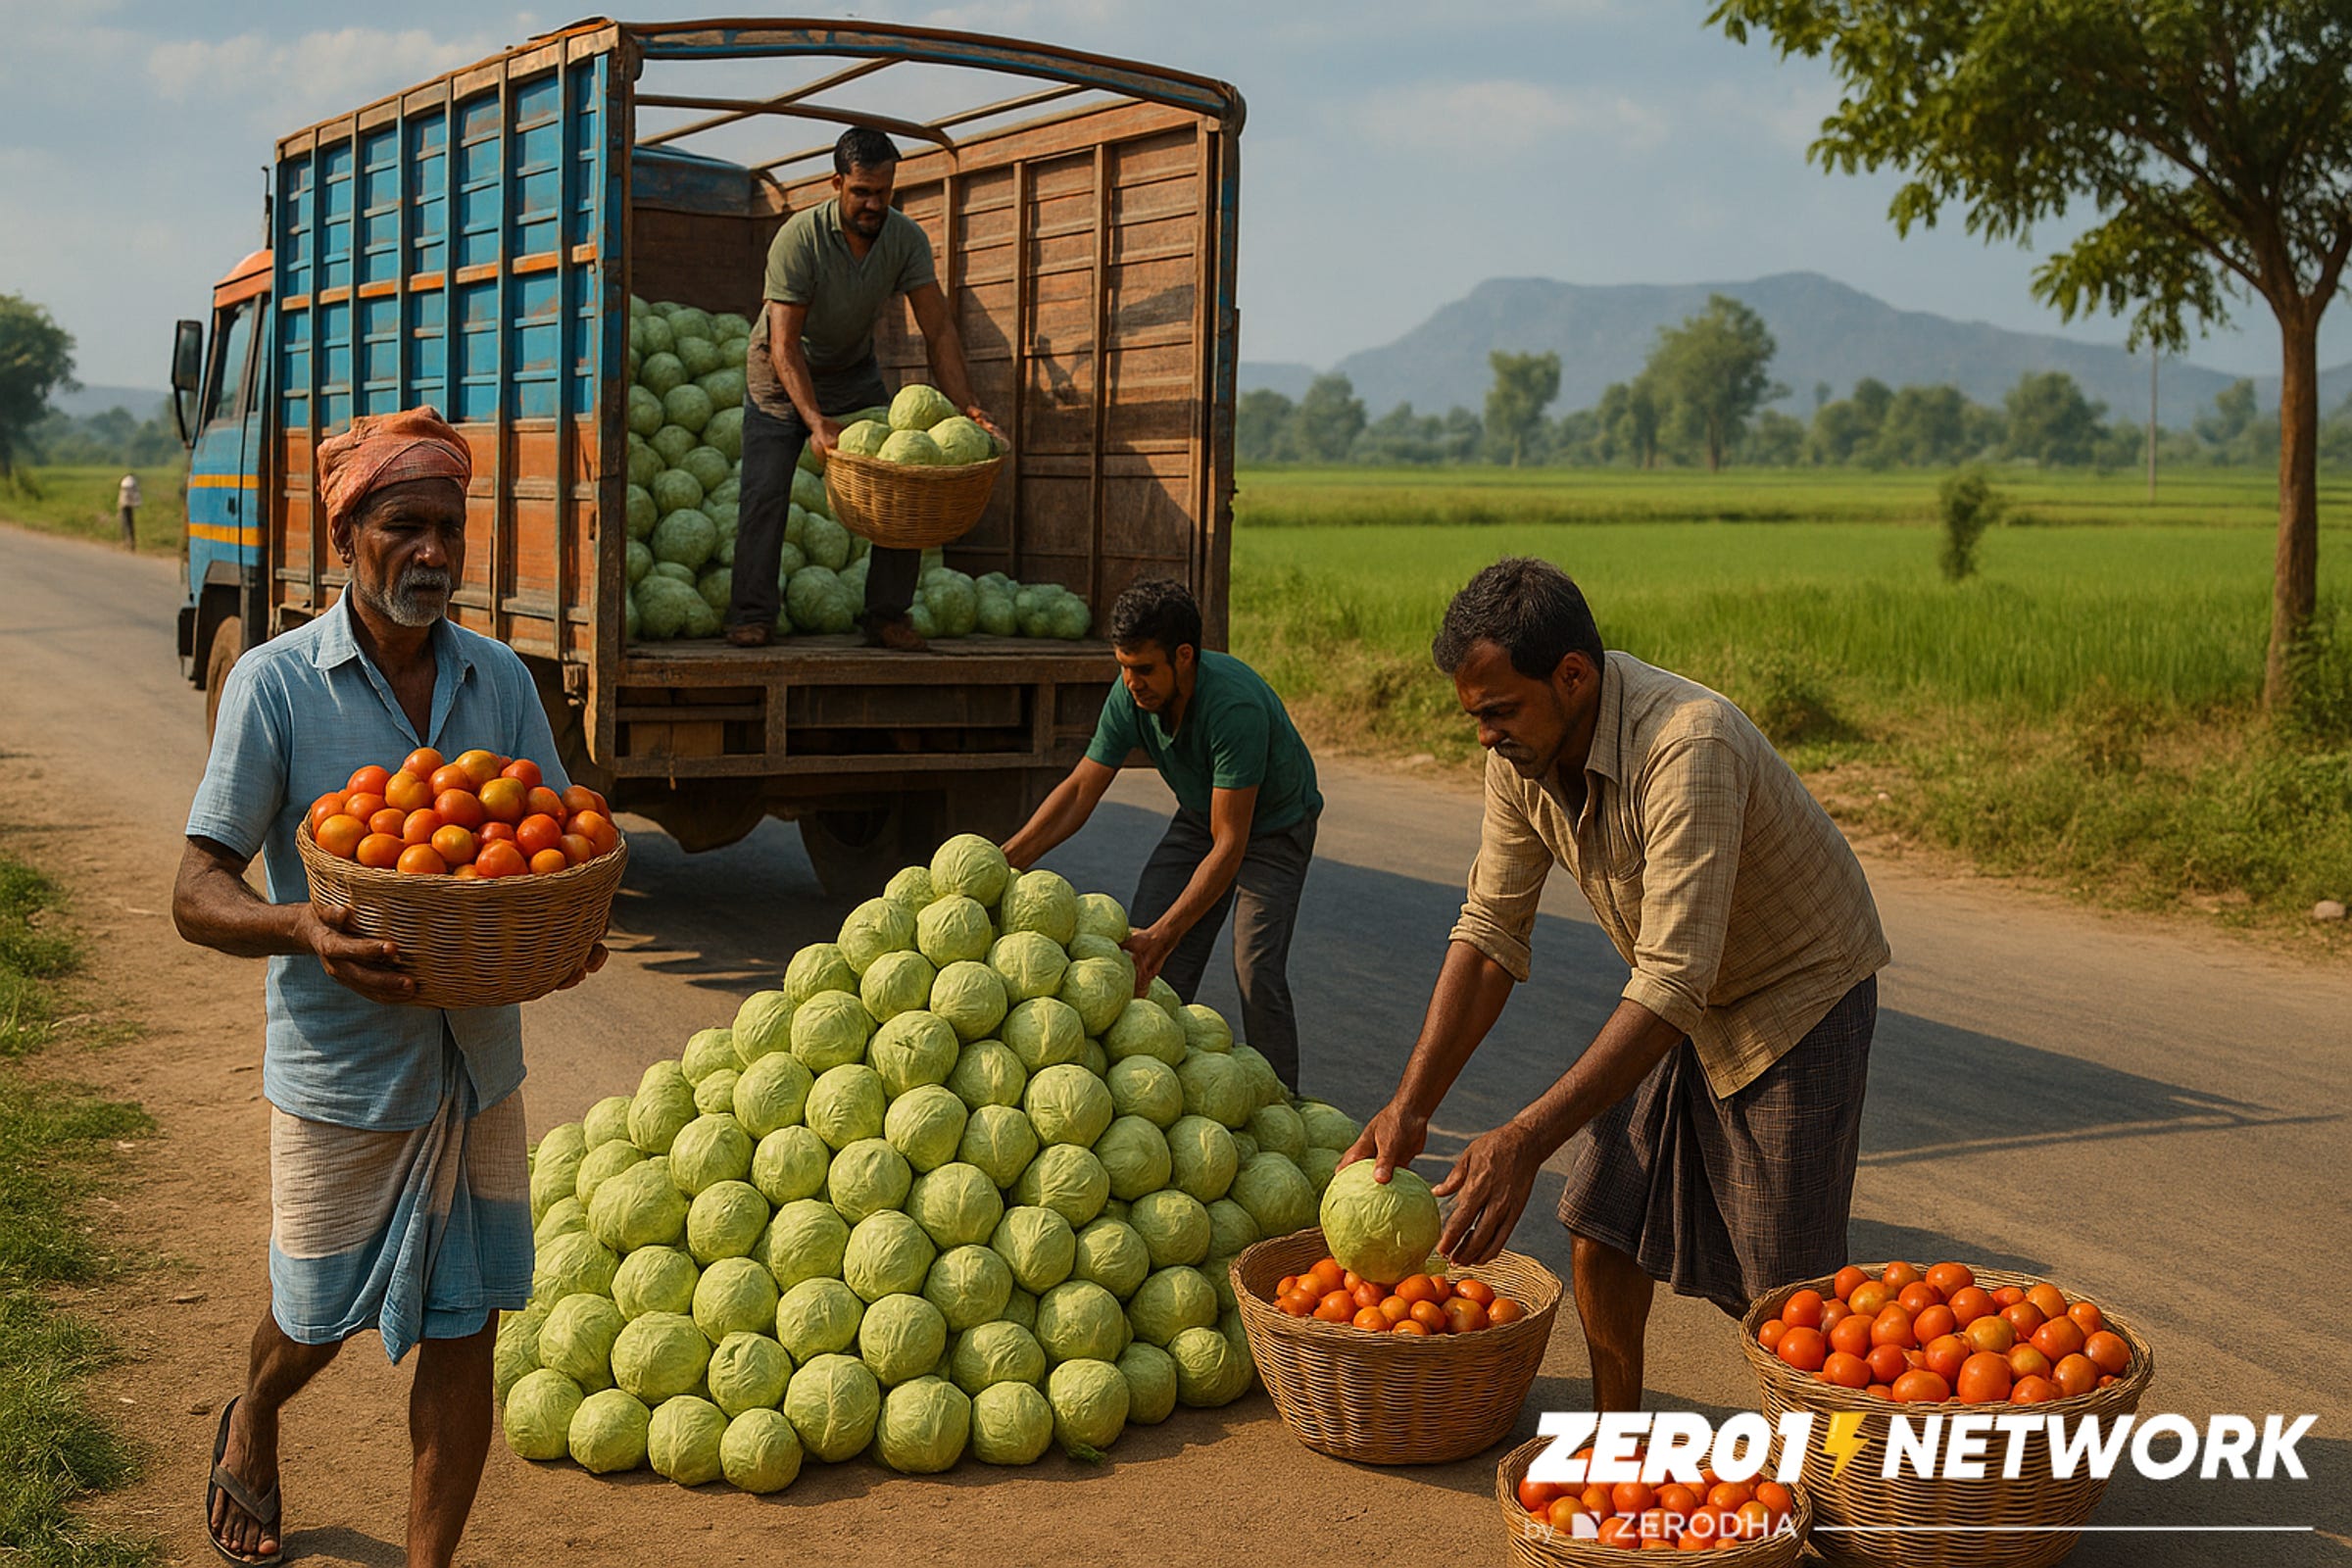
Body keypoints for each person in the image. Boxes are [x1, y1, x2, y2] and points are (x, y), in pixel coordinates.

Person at [172, 407, 606, 1567]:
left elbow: (554, 831)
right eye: (403, 525)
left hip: (478, 1059)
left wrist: (561, 931)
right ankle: (256, 1413)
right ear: (347, 530)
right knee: (313, 1312)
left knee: (470, 1323)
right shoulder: (274, 686)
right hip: (341, 1065)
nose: (431, 553)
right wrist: (302, 929)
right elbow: (194, 889)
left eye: (448, 530)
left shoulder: (502, 680)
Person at [1344, 558, 1888, 1413]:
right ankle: (1617, 1434)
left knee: (1790, 1295)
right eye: (1474, 718)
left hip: (1796, 994)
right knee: (1599, 1223)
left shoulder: (1688, 743)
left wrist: (1524, 1137)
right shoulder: (1519, 756)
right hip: (1678, 997)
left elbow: (1673, 981)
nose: (1485, 737)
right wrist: (1412, 1104)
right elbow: (1490, 930)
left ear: (1572, 677)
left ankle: (1821, 1477)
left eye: (1498, 712)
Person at [1002, 577, 1322, 1090]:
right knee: (1143, 952)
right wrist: (1007, 859)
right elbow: (1082, 788)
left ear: (1185, 656)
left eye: (1145, 669)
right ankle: (1160, 1084)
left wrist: (1166, 935)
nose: (1132, 682)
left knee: (1254, 967)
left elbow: (1231, 844)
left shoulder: (1231, 707)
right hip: (1202, 816)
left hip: (1274, 826)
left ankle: (1283, 1101)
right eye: (1124, 667)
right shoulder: (1131, 694)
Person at [726, 125, 1002, 651]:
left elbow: (938, 328)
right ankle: (752, 613)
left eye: (884, 191)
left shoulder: (905, 239)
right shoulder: (799, 238)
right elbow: (784, 345)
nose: (874, 204)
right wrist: (814, 422)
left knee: (905, 475)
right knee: (765, 491)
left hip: (852, 372)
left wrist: (967, 406)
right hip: (780, 374)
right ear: (836, 183)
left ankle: (886, 615)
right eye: (862, 192)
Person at [119, 470, 142, 551]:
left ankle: (126, 542)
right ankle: (131, 542)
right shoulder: (133, 483)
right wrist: (138, 504)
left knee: (124, 524)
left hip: (123, 504)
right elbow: (136, 495)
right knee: (130, 524)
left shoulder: (124, 482)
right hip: (130, 504)